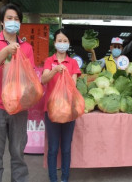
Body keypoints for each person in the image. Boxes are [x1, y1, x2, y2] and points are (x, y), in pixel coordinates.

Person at [0, 3, 34, 182]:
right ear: (2, 22)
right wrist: (6, 50)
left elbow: (29, 78)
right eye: (9, 18)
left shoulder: (26, 48)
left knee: (18, 155)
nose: (13, 22)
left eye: (17, 19)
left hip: (18, 108)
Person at [41, 29, 81, 182]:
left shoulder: (73, 62)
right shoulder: (49, 61)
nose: (62, 44)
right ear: (54, 43)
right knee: (52, 149)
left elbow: (73, 86)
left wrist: (65, 73)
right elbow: (43, 79)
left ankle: (65, 178)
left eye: (65, 41)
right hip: (51, 110)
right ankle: (53, 179)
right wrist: (55, 70)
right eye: (59, 41)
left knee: (65, 148)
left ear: (68, 44)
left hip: (68, 110)